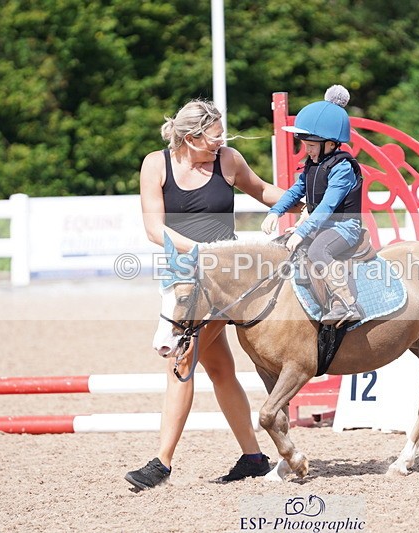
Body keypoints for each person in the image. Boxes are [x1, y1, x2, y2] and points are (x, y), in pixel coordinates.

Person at [126, 99, 291, 491]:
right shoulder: (156, 164)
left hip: (223, 283)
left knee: (181, 363)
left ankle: (161, 464)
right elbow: (155, 229)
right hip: (183, 276)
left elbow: (263, 189)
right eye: (214, 137)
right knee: (218, 368)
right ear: (191, 136)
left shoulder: (229, 160)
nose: (221, 143)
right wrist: (198, 252)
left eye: (222, 137)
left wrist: (305, 201)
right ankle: (253, 457)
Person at [262, 85, 364, 326]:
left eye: (310, 144)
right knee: (282, 247)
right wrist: (275, 211)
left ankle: (347, 303)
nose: (305, 149)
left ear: (330, 144)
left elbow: (327, 207)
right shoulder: (313, 164)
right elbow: (296, 190)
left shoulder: (342, 168)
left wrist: (301, 231)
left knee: (319, 250)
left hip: (344, 227)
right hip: (322, 225)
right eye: (304, 143)